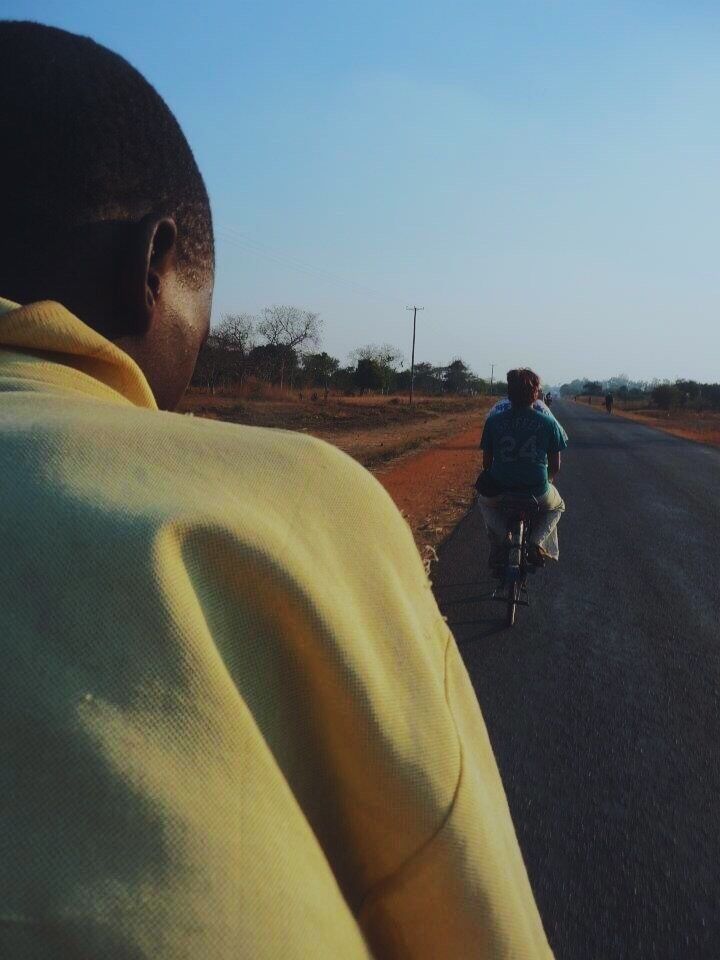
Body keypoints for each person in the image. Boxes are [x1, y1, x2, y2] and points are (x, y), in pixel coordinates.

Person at [0, 22, 553, 960]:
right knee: (532, 520)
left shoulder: (516, 421)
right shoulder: (300, 498)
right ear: (152, 265)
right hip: (508, 486)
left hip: (510, 482)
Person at [477, 368, 568, 567]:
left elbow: (486, 463)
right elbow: (555, 466)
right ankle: (535, 542)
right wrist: (546, 479)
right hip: (536, 490)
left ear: (509, 393)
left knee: (484, 502)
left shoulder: (493, 421)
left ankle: (505, 537)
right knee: (558, 506)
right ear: (536, 394)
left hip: (501, 489)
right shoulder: (548, 423)